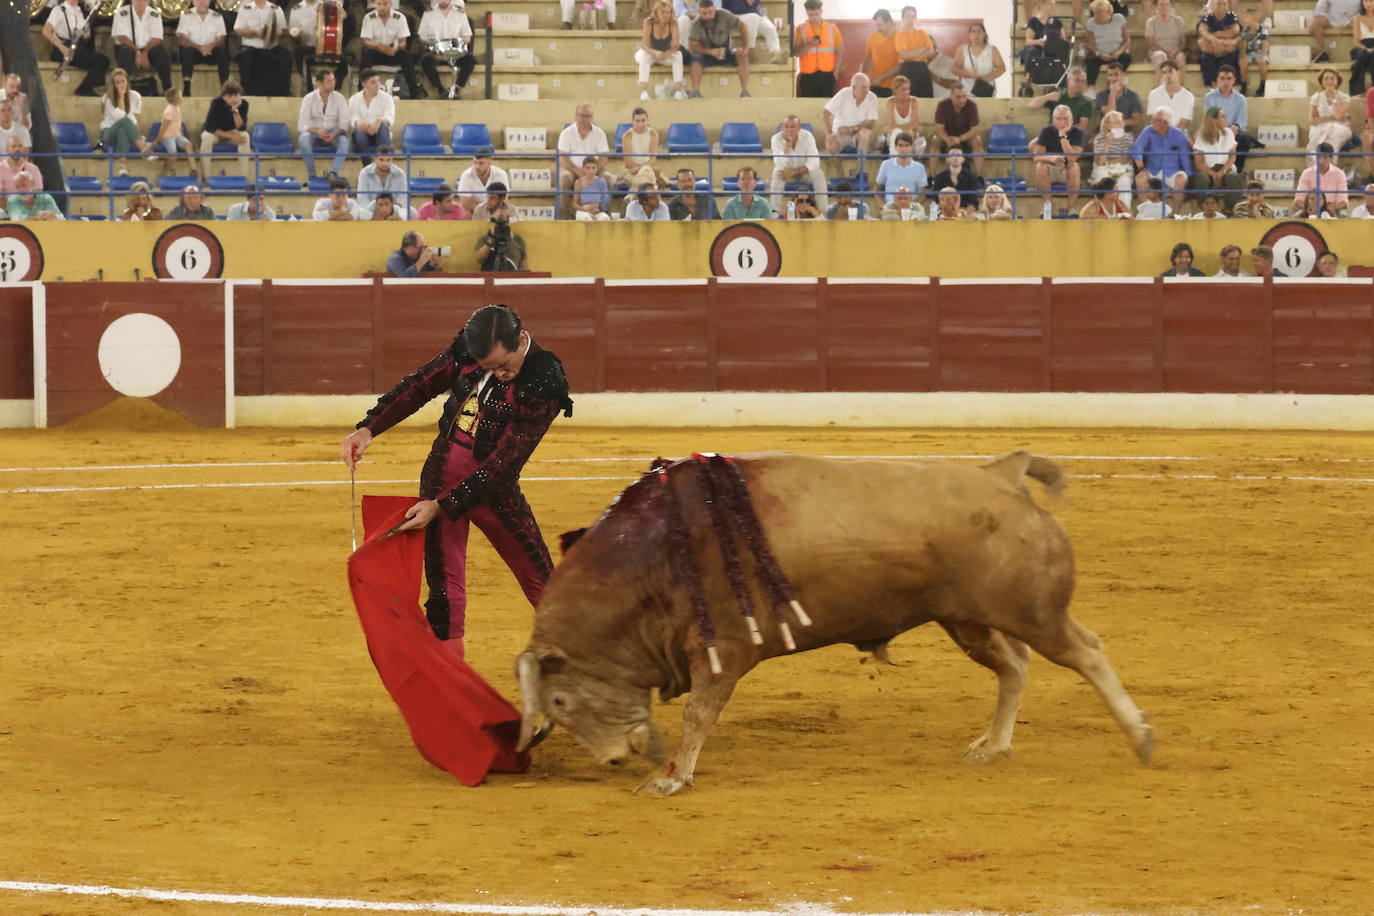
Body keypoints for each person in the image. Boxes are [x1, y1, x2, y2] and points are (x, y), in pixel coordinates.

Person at [340, 305, 571, 659]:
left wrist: (442, 505)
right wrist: (369, 427)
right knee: (444, 593)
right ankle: (451, 690)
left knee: (542, 580)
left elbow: (503, 464)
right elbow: (419, 385)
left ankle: (591, 664)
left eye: (503, 365)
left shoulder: (543, 378)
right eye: (489, 367)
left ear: (521, 340)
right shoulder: (469, 353)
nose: (498, 374)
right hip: (440, 477)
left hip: (494, 493)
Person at [1132, 106, 1193, 214]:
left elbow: (1185, 156)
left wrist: (1188, 175)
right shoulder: (1148, 131)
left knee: (1181, 179)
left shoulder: (1179, 134)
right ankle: (1147, 213)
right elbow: (1137, 148)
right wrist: (1141, 168)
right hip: (1153, 170)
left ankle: (1175, 214)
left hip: (1172, 171)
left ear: (1165, 122)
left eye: (1155, 120)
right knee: (1140, 179)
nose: (1152, 122)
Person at [43, 0, 110, 97]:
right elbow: (46, 31)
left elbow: (80, 34)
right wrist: (62, 48)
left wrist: (86, 34)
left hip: (75, 49)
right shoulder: (58, 10)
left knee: (103, 60)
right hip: (62, 50)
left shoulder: (79, 11)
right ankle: (84, 89)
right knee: (101, 61)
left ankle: (88, 88)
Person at [361, 0, 425, 99]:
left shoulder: (400, 18)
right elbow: (366, 41)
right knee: (366, 53)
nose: (382, 7)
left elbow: (403, 42)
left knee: (405, 55)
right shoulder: (369, 18)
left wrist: (396, 48)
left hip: (393, 52)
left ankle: (414, 92)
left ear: (391, 4)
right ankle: (361, 90)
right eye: (379, 4)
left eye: (385, 4)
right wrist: (380, 47)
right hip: (376, 52)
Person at [688, 0, 751, 98]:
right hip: (706, 53)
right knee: (695, 58)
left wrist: (745, 47)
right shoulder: (696, 23)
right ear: (699, 12)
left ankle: (745, 90)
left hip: (726, 51)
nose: (708, 16)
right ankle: (696, 91)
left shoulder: (724, 14)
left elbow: (742, 25)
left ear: (714, 9)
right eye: (704, 13)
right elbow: (692, 45)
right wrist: (710, 51)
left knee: (742, 55)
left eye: (710, 12)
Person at [1031, 104, 1084, 219]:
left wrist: (1062, 137)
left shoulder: (1077, 132)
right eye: (1058, 119)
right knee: (1040, 166)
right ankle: (1047, 206)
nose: (1062, 122)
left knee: (1075, 167)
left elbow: (1073, 158)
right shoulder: (1046, 131)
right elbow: (1037, 156)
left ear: (1071, 120)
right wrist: (1051, 158)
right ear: (1053, 120)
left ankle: (1071, 208)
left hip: (1067, 168)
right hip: (1050, 168)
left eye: (1065, 118)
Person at [99, 69, 155, 177]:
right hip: (108, 132)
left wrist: (136, 132)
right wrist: (121, 97)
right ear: (113, 84)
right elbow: (121, 116)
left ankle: (122, 167)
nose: (121, 85)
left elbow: (135, 118)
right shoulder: (107, 98)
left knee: (123, 131)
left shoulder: (135, 96)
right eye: (117, 82)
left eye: (123, 81)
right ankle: (143, 149)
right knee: (124, 121)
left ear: (127, 82)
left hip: (126, 131)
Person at [1203, 65, 1258, 172]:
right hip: (1215, 131)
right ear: (1217, 80)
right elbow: (1209, 118)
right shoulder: (1209, 97)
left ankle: (1237, 170)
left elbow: (1241, 121)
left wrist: (1235, 128)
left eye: (1229, 79)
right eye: (1222, 78)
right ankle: (1212, 170)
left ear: (1234, 80)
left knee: (1244, 139)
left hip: (1233, 133)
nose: (1226, 82)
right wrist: (1222, 129)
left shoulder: (1240, 99)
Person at [298, 69, 350, 180]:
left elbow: (345, 124)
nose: (333, 83)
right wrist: (317, 131)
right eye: (329, 81)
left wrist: (334, 134)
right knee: (303, 139)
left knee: (344, 141)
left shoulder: (339, 98)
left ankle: (333, 173)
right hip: (314, 133)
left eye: (333, 80)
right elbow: (302, 125)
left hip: (334, 133)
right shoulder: (309, 98)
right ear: (319, 83)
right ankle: (312, 175)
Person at [769, 115, 828, 213]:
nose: (789, 129)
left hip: (804, 172)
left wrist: (795, 171)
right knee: (777, 173)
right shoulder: (776, 139)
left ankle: (822, 211)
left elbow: (814, 161)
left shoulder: (808, 136)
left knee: (819, 173)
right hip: (787, 175)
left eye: (792, 127)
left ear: (799, 128)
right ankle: (775, 211)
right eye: (786, 126)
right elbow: (778, 163)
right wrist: (787, 146)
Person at [1189, 106, 1243, 213]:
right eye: (1222, 117)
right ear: (1213, 120)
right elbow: (1198, 162)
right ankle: (1203, 209)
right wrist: (1213, 173)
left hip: (1225, 167)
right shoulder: (1201, 137)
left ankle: (1230, 209)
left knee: (1233, 177)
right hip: (1208, 168)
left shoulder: (1228, 133)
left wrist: (1223, 171)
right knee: (1200, 178)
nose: (1225, 119)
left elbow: (1232, 156)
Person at [112, 0, 173, 94]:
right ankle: (122, 92)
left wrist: (145, 53)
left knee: (161, 51)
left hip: (147, 50)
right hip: (128, 48)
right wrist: (137, 52)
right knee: (127, 51)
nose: (141, 2)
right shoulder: (121, 13)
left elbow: (157, 38)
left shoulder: (154, 14)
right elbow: (121, 37)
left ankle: (168, 89)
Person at [419, 0, 476, 99]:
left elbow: (467, 37)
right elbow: (422, 37)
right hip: (436, 52)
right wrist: (432, 42)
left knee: (470, 60)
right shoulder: (428, 14)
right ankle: (440, 90)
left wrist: (458, 41)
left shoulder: (460, 14)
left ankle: (456, 89)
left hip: (455, 52)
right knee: (425, 61)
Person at [235, 0, 291, 96]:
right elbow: (238, 30)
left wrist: (276, 32)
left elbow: (283, 29)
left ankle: (283, 92)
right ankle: (247, 93)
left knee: (285, 56)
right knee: (246, 58)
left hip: (272, 47)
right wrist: (254, 32)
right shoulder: (245, 9)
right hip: (251, 48)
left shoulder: (276, 9)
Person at [823, 72, 879, 169]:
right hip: (840, 134)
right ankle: (840, 176)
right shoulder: (843, 94)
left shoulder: (872, 97)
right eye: (863, 88)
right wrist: (829, 133)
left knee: (865, 133)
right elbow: (825, 113)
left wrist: (851, 129)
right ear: (853, 88)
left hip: (858, 135)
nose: (867, 90)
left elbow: (871, 123)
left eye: (868, 87)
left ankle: (860, 173)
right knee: (831, 143)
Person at [176, 0, 229, 95]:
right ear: (193, 2)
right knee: (185, 50)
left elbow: (221, 39)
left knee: (223, 51)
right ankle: (187, 85)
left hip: (211, 52)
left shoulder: (217, 16)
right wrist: (199, 47)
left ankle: (225, 86)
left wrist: (211, 46)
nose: (202, 2)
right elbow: (182, 39)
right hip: (194, 52)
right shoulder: (186, 15)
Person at [793, 0, 844, 98]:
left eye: (816, 14)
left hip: (827, 76)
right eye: (810, 15)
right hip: (807, 76)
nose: (814, 17)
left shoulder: (832, 28)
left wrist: (835, 74)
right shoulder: (800, 29)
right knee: (808, 107)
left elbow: (841, 52)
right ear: (807, 13)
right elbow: (797, 53)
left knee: (826, 106)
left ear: (821, 11)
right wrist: (808, 44)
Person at [199, 80, 249, 180]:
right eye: (230, 96)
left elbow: (241, 127)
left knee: (245, 136)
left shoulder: (244, 104)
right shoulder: (216, 102)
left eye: (236, 95)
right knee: (206, 137)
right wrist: (230, 136)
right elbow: (210, 127)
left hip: (232, 131)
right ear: (224, 96)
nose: (234, 99)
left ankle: (243, 176)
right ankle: (206, 176)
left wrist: (235, 111)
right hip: (216, 133)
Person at [637, 0, 686, 100]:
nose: (666, 15)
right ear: (656, 13)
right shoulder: (648, 22)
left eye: (668, 12)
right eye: (663, 12)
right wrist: (656, 52)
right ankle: (643, 92)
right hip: (650, 53)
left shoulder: (673, 23)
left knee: (678, 55)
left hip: (665, 55)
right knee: (644, 56)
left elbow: (676, 45)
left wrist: (668, 53)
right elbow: (645, 45)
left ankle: (678, 91)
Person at [556, 103, 609, 191]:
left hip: (595, 170)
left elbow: (604, 157)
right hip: (571, 170)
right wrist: (576, 170)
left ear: (592, 117)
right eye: (582, 116)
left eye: (588, 116)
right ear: (576, 116)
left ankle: (605, 205)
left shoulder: (599, 133)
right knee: (563, 179)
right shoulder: (566, 133)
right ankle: (563, 205)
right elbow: (562, 158)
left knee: (608, 179)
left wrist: (593, 171)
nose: (585, 119)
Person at [349, 70, 396, 166]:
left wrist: (379, 121)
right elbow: (352, 117)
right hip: (361, 134)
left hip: (380, 133)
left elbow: (390, 117)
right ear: (364, 84)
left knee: (382, 126)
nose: (377, 84)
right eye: (373, 82)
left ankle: (380, 165)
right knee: (359, 129)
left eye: (378, 81)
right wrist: (358, 121)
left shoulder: (386, 98)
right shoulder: (354, 99)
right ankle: (367, 167)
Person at [1020, 0, 1069, 93]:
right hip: (1038, 47)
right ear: (1042, 5)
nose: (1051, 7)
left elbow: (1064, 39)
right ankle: (1028, 77)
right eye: (1049, 4)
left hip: (1052, 48)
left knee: (1061, 52)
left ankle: (1060, 83)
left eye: (1052, 5)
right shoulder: (1034, 21)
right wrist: (1038, 42)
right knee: (1032, 51)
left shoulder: (1056, 21)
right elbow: (1027, 40)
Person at [1028, 67, 1092, 134]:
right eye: (1076, 80)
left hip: (1070, 136)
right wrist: (1047, 97)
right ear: (1068, 80)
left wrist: (1063, 131)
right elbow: (1032, 105)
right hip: (1051, 135)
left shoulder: (1085, 103)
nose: (1080, 84)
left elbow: (1082, 126)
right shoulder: (1058, 95)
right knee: (1033, 144)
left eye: (1083, 81)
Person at [1091, 109, 1135, 206]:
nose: (1121, 124)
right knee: (1102, 178)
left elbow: (1125, 159)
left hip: (1123, 168)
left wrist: (1108, 161)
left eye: (1121, 122)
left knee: (1124, 181)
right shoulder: (1100, 138)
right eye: (1117, 122)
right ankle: (1102, 212)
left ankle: (1123, 213)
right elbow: (1100, 162)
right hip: (1103, 168)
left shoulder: (1128, 138)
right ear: (1108, 125)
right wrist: (1107, 142)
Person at [1082, 0, 1131, 86]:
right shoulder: (1091, 23)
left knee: (1126, 58)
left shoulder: (1119, 18)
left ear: (1108, 12)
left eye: (1099, 12)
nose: (1096, 15)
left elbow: (1127, 39)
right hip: (1099, 54)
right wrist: (1099, 53)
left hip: (1116, 53)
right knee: (1090, 60)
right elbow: (1089, 44)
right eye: (1095, 12)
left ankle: (1113, 83)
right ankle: (1091, 86)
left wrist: (1119, 52)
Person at [1307, 69, 1352, 162]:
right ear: (1322, 82)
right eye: (1326, 79)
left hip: (1340, 128)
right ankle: (1317, 169)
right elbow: (1313, 120)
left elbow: (1338, 115)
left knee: (1332, 135)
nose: (1329, 81)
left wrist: (1333, 100)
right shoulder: (1316, 97)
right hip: (1320, 128)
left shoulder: (1344, 97)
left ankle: (1329, 168)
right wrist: (1332, 118)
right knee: (1316, 139)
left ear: (1337, 81)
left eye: (1332, 78)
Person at [1293, 142, 1350, 217]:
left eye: (1325, 157)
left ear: (1331, 159)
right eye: (1319, 157)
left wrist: (1334, 208)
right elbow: (1298, 200)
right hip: (1310, 207)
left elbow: (1344, 201)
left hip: (1331, 209)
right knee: (1296, 217)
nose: (1321, 161)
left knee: (1344, 216)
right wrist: (1308, 209)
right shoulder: (1307, 173)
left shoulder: (1340, 174)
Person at [153, 88, 198, 177]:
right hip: (167, 136)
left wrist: (181, 134)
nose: (182, 98)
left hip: (177, 135)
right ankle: (163, 173)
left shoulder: (177, 108)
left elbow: (178, 123)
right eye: (180, 96)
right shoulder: (169, 111)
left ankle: (193, 169)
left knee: (188, 145)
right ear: (176, 98)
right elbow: (163, 128)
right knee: (173, 154)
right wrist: (157, 140)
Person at [893, 5, 935, 97]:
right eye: (907, 16)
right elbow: (905, 56)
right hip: (907, 69)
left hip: (923, 69)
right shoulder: (899, 35)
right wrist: (922, 49)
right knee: (907, 98)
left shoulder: (922, 33)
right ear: (902, 18)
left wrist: (912, 53)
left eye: (913, 16)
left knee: (925, 97)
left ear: (916, 18)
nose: (910, 19)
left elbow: (930, 52)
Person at [721, 0, 782, 65]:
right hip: (735, 16)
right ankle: (750, 52)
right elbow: (733, 8)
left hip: (755, 14)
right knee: (753, 17)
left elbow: (751, 4)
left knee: (770, 28)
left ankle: (776, 53)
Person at [952, 21, 1004, 96]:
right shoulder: (963, 49)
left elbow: (1001, 68)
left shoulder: (992, 49)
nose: (976, 34)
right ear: (969, 35)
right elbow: (954, 68)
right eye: (973, 32)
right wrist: (969, 74)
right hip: (966, 93)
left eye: (979, 31)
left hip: (985, 91)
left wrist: (984, 79)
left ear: (984, 34)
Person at [875, 131, 927, 205]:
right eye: (900, 145)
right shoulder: (886, 165)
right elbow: (876, 189)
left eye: (907, 146)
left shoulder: (920, 168)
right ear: (896, 147)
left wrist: (913, 207)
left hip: (911, 207)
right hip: (891, 206)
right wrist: (883, 206)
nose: (903, 149)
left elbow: (922, 194)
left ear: (912, 147)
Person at [932, 84, 982, 158]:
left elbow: (974, 130)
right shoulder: (942, 105)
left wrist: (959, 139)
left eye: (964, 96)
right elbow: (939, 128)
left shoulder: (972, 105)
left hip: (966, 136)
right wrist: (947, 139)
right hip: (948, 136)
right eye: (958, 97)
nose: (962, 100)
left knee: (977, 141)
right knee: (935, 140)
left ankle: (978, 170)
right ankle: (932, 170)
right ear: (951, 96)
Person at [1198, 0, 1241, 87]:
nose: (1222, 6)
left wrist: (1219, 37)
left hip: (1228, 49)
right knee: (1205, 57)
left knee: (1232, 56)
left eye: (1224, 4)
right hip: (1212, 49)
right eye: (1218, 3)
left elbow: (1235, 31)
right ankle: (1213, 85)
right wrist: (1213, 40)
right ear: (1212, 6)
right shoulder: (1207, 17)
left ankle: (1231, 85)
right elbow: (1202, 31)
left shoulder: (1232, 16)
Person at [619, 107, 664, 191]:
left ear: (647, 121)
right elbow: (627, 162)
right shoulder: (627, 136)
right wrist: (643, 169)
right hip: (633, 170)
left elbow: (653, 159)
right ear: (632, 122)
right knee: (647, 176)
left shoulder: (653, 134)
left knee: (646, 173)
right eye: (637, 121)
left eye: (643, 121)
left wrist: (640, 169)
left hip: (645, 168)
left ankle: (630, 196)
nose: (640, 124)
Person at [1144, 0, 1188, 84]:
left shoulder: (1178, 20)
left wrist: (1176, 51)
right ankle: (1159, 89)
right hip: (1157, 51)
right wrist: (1166, 52)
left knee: (1181, 57)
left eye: (1167, 4)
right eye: (1161, 5)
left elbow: (1183, 42)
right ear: (1156, 6)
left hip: (1175, 51)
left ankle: (1180, 88)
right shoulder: (1151, 22)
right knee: (1161, 56)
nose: (1164, 7)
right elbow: (1151, 44)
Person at [475, 203, 528, 270]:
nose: (503, 222)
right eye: (500, 218)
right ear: (493, 219)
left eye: (507, 218)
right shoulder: (485, 238)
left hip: (511, 278)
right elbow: (479, 259)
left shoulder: (518, 240)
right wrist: (491, 240)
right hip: (491, 277)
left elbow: (524, 269)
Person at [457, 146, 510, 213]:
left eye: (481, 163)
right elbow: (465, 203)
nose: (477, 167)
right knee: (466, 212)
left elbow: (504, 199)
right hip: (474, 211)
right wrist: (482, 212)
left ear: (490, 162)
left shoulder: (501, 174)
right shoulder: (466, 175)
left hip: (495, 210)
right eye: (475, 163)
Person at [1146, 61, 1195, 131]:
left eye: (1170, 71)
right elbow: (1154, 119)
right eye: (1164, 72)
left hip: (1179, 134)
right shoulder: (1153, 94)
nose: (1167, 75)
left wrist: (1171, 136)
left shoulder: (1188, 96)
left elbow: (1183, 123)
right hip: (1158, 133)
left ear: (1178, 73)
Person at [1095, 59, 1142, 132]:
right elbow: (1109, 114)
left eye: (1116, 74)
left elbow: (1136, 120)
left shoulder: (1133, 96)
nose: (1113, 78)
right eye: (1110, 75)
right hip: (1105, 132)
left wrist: (1117, 124)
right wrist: (1112, 93)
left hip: (1124, 132)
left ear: (1123, 75)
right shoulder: (1101, 95)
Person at [863, 9, 900, 98]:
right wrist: (862, 78)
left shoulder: (900, 38)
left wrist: (881, 77)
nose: (878, 28)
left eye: (880, 25)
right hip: (874, 85)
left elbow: (901, 65)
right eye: (876, 25)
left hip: (894, 86)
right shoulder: (872, 37)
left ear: (889, 22)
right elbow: (866, 60)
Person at [882, 74, 923, 153]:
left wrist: (904, 130)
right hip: (895, 133)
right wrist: (905, 130)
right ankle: (895, 159)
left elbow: (914, 124)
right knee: (897, 133)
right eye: (903, 89)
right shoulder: (890, 102)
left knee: (909, 133)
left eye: (908, 89)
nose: (906, 92)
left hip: (911, 133)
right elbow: (891, 124)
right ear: (895, 90)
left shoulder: (913, 101)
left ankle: (907, 161)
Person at [1238, 7, 1270, 96]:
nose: (1244, 19)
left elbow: (1265, 43)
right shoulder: (1245, 30)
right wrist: (1243, 55)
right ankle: (1244, 85)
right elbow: (1244, 44)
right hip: (1250, 53)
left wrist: (1263, 55)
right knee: (1243, 62)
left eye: (1247, 17)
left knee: (1262, 62)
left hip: (1260, 52)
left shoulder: (1262, 29)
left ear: (1254, 18)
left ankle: (1262, 85)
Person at [570, 155, 612, 220]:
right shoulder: (579, 182)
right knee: (586, 218)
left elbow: (605, 201)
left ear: (597, 168)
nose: (591, 170)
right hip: (583, 211)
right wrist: (584, 209)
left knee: (605, 218)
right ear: (583, 168)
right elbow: (574, 204)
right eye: (588, 168)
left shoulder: (601, 182)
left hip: (598, 211)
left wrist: (599, 209)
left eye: (593, 168)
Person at [1351, 0, 1374, 95]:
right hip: (1361, 47)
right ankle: (1358, 89)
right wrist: (1365, 48)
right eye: (1365, 1)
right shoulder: (1357, 18)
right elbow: (1356, 41)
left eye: (1371, 1)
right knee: (1363, 54)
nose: (1368, 4)